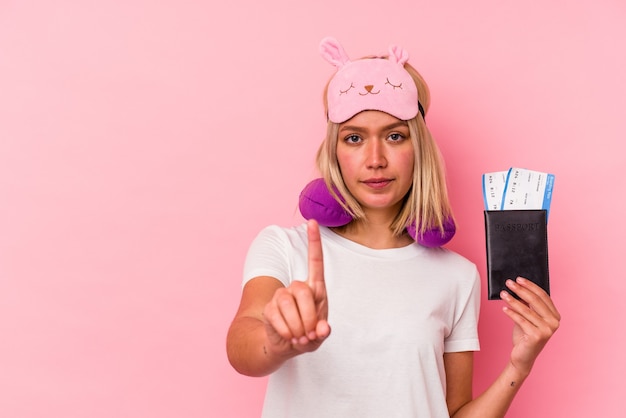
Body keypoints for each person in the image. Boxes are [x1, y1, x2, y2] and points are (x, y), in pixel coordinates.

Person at [226, 37, 560, 418]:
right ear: (335, 152)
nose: (375, 159)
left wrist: (519, 366)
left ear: (418, 148)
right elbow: (242, 347)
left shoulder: (457, 276)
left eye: (395, 136)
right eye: (354, 138)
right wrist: (277, 341)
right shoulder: (285, 247)